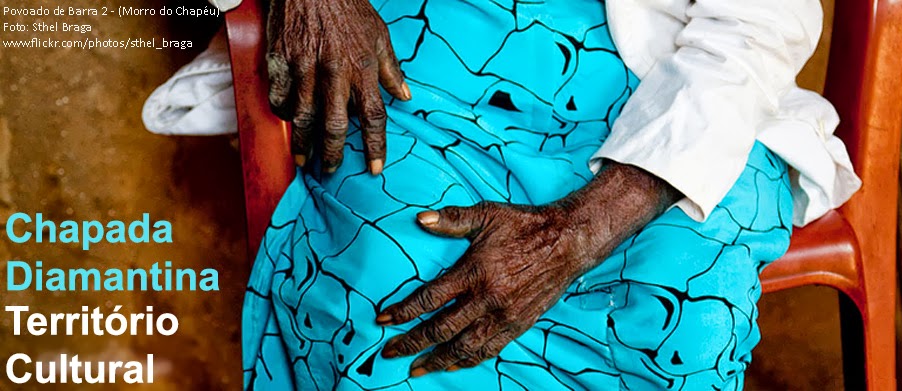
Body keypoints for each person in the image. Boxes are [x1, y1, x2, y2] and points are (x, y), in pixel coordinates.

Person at [227, 0, 862, 389]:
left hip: (670, 89)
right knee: (392, 286)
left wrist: (580, 230)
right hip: (412, 59)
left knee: (682, 305)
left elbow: (761, 18)